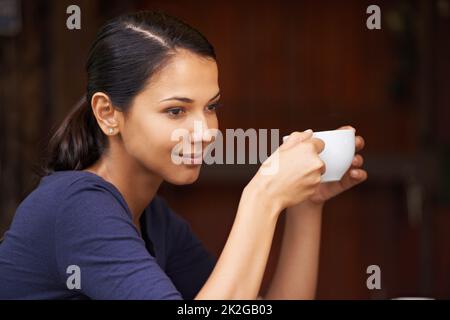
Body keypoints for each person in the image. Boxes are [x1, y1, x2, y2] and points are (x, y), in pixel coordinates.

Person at [0, 11, 367, 300]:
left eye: (211, 107)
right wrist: (263, 196)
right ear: (108, 113)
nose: (206, 131)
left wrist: (306, 206)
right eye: (176, 111)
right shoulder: (77, 207)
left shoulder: (155, 221)